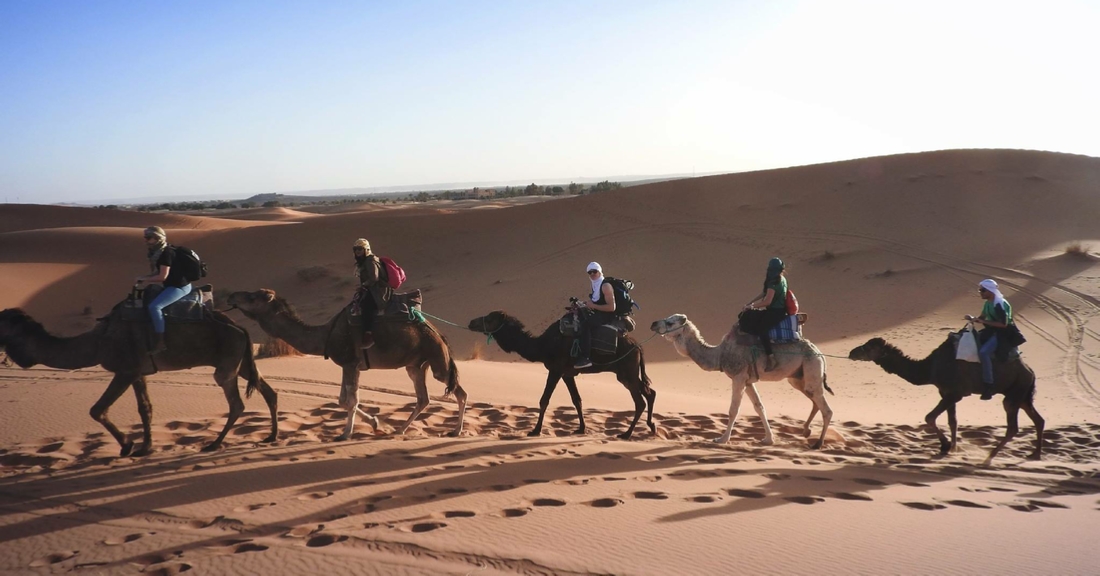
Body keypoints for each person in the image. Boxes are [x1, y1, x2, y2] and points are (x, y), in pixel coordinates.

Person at [135, 226, 192, 353]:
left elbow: (162, 276)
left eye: (148, 238)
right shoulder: (157, 252)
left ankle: (160, 342)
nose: (145, 240)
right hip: (170, 285)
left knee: (154, 307)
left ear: (157, 239)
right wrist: (144, 278)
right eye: (145, 237)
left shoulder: (166, 254)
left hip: (179, 287)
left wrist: (144, 279)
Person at [965, 279, 1014, 400]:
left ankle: (989, 385)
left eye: (982, 290)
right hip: (991, 331)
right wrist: (973, 318)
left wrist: (983, 321)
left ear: (990, 291)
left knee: (984, 352)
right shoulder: (988, 303)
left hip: (1003, 334)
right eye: (980, 290)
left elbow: (1004, 324)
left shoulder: (999, 304)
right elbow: (982, 317)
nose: (980, 292)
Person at [740, 257, 789, 372]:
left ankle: (771, 357)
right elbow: (764, 293)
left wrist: (751, 307)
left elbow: (767, 301)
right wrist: (750, 302)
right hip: (777, 310)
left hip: (776, 312)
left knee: (762, 330)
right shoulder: (782, 279)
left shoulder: (774, 283)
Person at [350, 238, 392, 369]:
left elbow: (374, 278)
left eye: (360, 249)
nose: (357, 252)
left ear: (366, 250)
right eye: (356, 249)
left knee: (366, 308)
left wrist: (364, 285)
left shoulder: (370, 260)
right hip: (372, 290)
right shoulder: (364, 261)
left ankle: (369, 334)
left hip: (378, 293)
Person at [573, 262, 618, 369]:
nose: (592, 274)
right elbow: (596, 300)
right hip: (599, 312)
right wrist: (586, 304)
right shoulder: (595, 283)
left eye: (594, 271)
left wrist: (592, 306)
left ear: (600, 271)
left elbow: (612, 308)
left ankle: (585, 357)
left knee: (585, 324)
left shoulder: (605, 286)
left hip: (607, 315)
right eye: (590, 272)